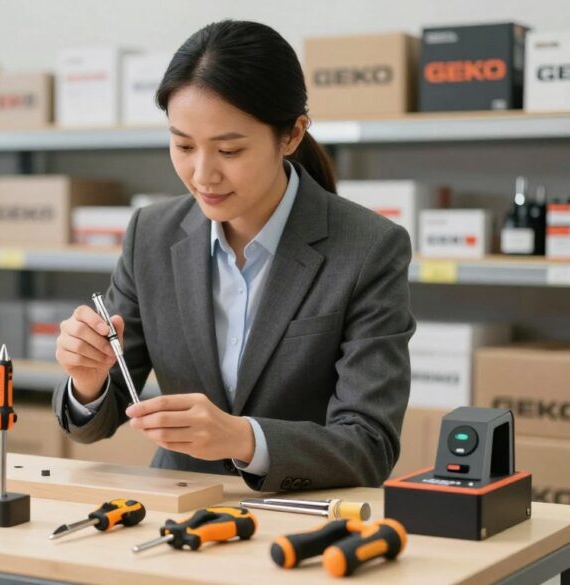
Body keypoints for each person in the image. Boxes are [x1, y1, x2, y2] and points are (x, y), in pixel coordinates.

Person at [51, 20, 415, 492]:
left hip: (301, 517)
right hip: (178, 510)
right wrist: (88, 382)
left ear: (291, 135)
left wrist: (243, 439)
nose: (203, 174)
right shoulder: (151, 235)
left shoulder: (368, 248)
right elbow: (96, 419)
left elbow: (369, 446)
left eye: (229, 149)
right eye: (183, 145)